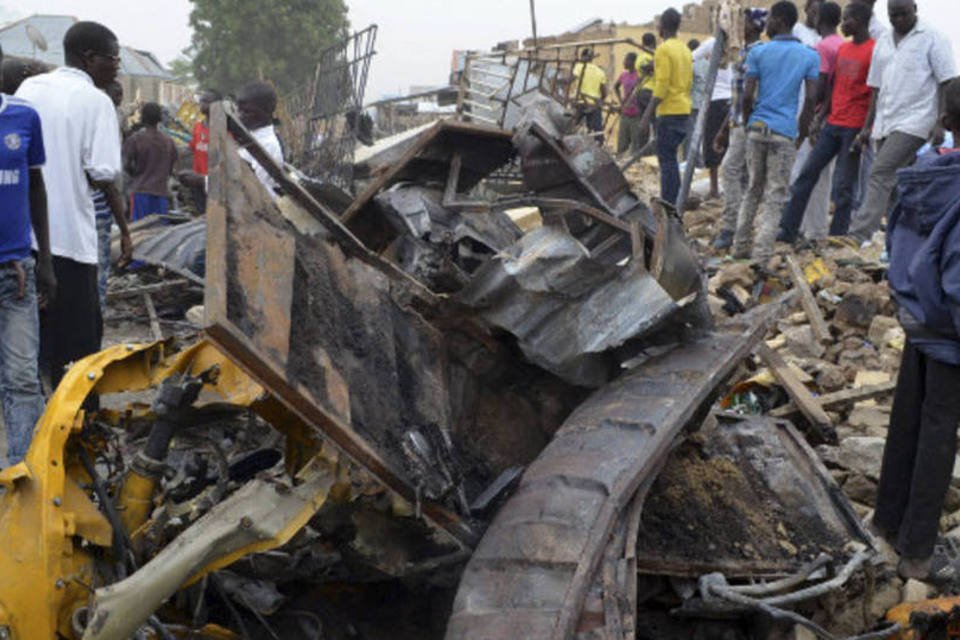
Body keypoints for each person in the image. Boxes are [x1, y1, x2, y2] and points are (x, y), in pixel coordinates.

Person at [873, 77, 960, 582]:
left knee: (908, 419)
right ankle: (919, 553)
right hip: (951, 333)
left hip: (919, 319)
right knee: (937, 433)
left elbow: (898, 246)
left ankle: (887, 525)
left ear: (946, 123)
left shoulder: (924, 174)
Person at [16, 21, 127, 387]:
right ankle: (76, 428)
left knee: (31, 342)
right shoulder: (96, 102)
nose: (117, 66)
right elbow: (103, 171)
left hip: (23, 237)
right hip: (70, 243)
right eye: (113, 58)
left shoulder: (29, 88)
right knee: (78, 349)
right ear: (89, 58)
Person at [847, 0, 957, 243]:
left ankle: (857, 234)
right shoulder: (884, 42)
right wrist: (867, 127)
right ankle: (902, 242)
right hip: (886, 121)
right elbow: (876, 88)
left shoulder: (933, 38)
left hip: (916, 120)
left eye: (903, 14)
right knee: (897, 185)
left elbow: (946, 81)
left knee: (880, 172)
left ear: (915, 9)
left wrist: (940, 121)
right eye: (893, 15)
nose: (899, 20)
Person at [731, 1, 819, 264]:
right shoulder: (809, 55)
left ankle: (740, 247)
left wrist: (749, 124)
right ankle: (761, 257)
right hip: (784, 133)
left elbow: (747, 96)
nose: (765, 24)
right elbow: (812, 98)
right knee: (775, 196)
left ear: (780, 20)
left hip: (757, 128)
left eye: (769, 19)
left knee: (753, 190)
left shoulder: (758, 52)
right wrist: (802, 132)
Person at [0, 45, 55, 465]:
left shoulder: (23, 117)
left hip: (15, 270)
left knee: (22, 379)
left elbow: (36, 188)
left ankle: (23, 477)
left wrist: (46, 260)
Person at [780, 2, 872, 242]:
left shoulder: (874, 50)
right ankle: (788, 230)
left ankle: (837, 237)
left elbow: (876, 93)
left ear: (860, 21)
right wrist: (819, 120)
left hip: (854, 126)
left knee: (843, 187)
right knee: (806, 175)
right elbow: (833, 88)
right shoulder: (843, 49)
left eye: (848, 19)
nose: (843, 24)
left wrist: (865, 129)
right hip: (833, 123)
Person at [712, 8, 768, 250]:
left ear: (755, 26)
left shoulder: (758, 53)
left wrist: (742, 124)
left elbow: (749, 96)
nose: (740, 25)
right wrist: (725, 129)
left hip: (748, 122)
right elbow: (735, 97)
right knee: (744, 176)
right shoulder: (743, 52)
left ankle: (730, 226)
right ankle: (743, 228)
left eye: (744, 21)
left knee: (731, 170)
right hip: (738, 121)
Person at [638, 8, 692, 206]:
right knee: (672, 160)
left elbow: (662, 86)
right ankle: (676, 200)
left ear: (663, 26)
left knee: (667, 160)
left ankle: (669, 205)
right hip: (684, 109)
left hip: (669, 111)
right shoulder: (685, 49)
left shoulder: (663, 49)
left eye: (659, 23)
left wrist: (646, 116)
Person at [93, 80, 130, 313]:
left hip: (110, 189)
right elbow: (106, 181)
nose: (119, 98)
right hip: (103, 195)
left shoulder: (116, 115)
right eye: (116, 93)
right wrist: (125, 230)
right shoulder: (101, 113)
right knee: (98, 267)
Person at [691, 37, 733, 200]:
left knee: (711, 144)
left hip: (714, 100)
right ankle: (728, 190)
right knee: (729, 145)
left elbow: (691, 57)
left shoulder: (712, 43)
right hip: (731, 100)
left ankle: (714, 188)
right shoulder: (738, 45)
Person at [123, 102, 178, 222]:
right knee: (159, 233)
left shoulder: (135, 139)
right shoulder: (169, 142)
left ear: (142, 117)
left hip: (140, 192)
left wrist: (137, 174)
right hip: (161, 193)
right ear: (159, 118)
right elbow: (171, 168)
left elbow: (126, 165)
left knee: (139, 230)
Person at [236, 81, 284, 197]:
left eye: (247, 112)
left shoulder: (268, 145)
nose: (240, 116)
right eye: (239, 110)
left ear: (266, 112)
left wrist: (203, 181)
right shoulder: (248, 138)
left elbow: (255, 189)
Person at [178, 89, 220, 213]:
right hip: (197, 180)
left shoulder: (223, 129)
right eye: (201, 101)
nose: (202, 104)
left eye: (207, 101)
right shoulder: (198, 126)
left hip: (214, 182)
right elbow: (192, 147)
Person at [572, 49, 607, 136]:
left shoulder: (579, 66)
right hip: (594, 105)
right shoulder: (600, 72)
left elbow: (572, 79)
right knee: (597, 131)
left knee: (571, 128)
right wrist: (599, 101)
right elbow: (604, 93)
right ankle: (599, 144)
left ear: (582, 57)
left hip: (581, 103)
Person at [614, 53, 644, 155]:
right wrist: (621, 100)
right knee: (622, 142)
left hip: (637, 114)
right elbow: (616, 87)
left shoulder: (639, 76)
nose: (624, 62)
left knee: (636, 143)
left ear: (633, 62)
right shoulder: (623, 75)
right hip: (625, 113)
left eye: (626, 60)